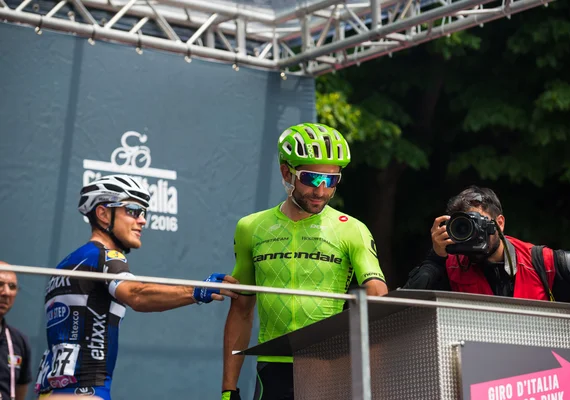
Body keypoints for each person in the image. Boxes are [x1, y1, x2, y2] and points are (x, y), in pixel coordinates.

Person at [221, 123, 388, 400]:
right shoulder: (251, 227)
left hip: (329, 367)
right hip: (272, 370)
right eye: (312, 179)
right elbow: (241, 310)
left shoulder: (351, 228)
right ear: (286, 172)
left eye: (331, 180)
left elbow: (378, 299)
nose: (321, 191)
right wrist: (229, 389)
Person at [35, 174, 238, 400]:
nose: (142, 220)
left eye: (144, 212)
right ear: (103, 214)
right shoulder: (104, 256)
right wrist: (198, 290)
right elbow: (136, 295)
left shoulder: (68, 264)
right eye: (132, 210)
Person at [402, 185, 570, 396]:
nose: (472, 234)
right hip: (480, 379)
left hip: (545, 380)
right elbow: (406, 314)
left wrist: (558, 356)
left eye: (477, 224)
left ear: (500, 223)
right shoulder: (449, 267)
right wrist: (435, 258)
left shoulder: (551, 263)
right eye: (463, 227)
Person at [0, 261, 32, 400]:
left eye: (12, 286)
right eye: (0, 284)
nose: (6, 292)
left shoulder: (18, 341)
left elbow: (20, 392)